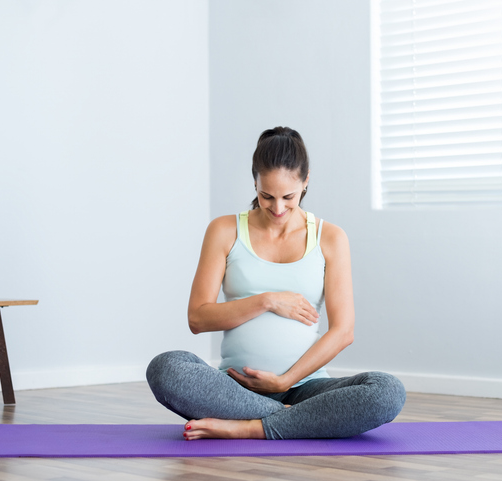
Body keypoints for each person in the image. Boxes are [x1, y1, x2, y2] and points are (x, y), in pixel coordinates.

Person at [146, 126, 405, 440]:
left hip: (306, 387)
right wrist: (267, 300)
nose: (278, 208)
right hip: (235, 388)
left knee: (387, 391)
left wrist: (285, 382)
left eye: (289, 197)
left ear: (306, 181)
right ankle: (296, 422)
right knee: (166, 368)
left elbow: (343, 331)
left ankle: (250, 427)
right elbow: (197, 319)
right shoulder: (225, 230)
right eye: (266, 196)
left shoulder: (331, 238)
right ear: (254, 181)